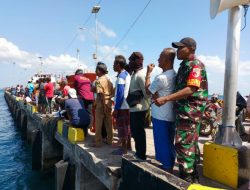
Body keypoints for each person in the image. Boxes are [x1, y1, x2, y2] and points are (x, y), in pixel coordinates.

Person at [154, 37, 208, 183]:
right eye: (177, 48)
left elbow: (191, 89)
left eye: (180, 48)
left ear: (191, 49)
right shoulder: (184, 65)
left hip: (190, 112)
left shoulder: (195, 65)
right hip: (183, 111)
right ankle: (192, 178)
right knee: (190, 145)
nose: (177, 51)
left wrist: (166, 98)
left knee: (184, 146)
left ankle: (186, 180)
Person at [145, 48, 176, 172]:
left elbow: (148, 91)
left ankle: (167, 167)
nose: (158, 59)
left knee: (162, 141)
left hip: (160, 114)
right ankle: (170, 163)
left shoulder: (161, 77)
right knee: (169, 141)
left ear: (167, 60)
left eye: (160, 57)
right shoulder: (174, 74)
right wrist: (155, 93)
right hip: (170, 114)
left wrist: (148, 73)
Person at [128, 52, 150, 160]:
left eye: (131, 60)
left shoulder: (141, 75)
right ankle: (138, 153)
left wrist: (137, 97)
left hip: (139, 108)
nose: (129, 63)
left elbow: (147, 94)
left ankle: (141, 155)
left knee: (139, 133)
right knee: (135, 133)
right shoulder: (134, 74)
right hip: (133, 108)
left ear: (137, 61)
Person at [112, 55, 131, 155]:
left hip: (122, 106)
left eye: (114, 64)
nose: (113, 66)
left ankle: (123, 149)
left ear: (118, 64)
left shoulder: (121, 77)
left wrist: (116, 108)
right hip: (126, 105)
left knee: (122, 127)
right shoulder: (126, 74)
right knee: (126, 127)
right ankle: (127, 146)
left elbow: (120, 94)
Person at [91, 63, 114, 147]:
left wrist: (99, 104)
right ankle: (110, 140)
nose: (95, 72)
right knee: (109, 123)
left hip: (101, 103)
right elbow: (113, 92)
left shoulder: (98, 81)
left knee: (98, 124)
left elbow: (100, 94)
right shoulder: (109, 81)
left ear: (99, 71)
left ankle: (98, 142)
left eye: (96, 70)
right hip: (109, 102)